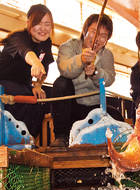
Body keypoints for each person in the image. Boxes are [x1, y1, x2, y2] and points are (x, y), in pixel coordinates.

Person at [51, 14, 123, 147]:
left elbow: (109, 79)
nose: (97, 38)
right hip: (70, 108)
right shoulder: (69, 46)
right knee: (61, 83)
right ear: (85, 31)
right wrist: (81, 60)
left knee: (117, 117)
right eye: (94, 32)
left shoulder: (107, 55)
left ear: (107, 39)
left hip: (94, 109)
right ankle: (61, 137)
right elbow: (64, 69)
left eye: (103, 35)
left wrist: (96, 72)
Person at [0, 4, 54, 138]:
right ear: (29, 23)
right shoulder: (18, 38)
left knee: (39, 101)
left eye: (47, 24)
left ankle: (29, 139)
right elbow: (26, 52)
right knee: (21, 99)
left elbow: (45, 67)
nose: (43, 29)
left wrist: (38, 86)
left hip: (23, 84)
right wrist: (35, 62)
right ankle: (13, 139)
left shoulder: (47, 43)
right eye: (38, 23)